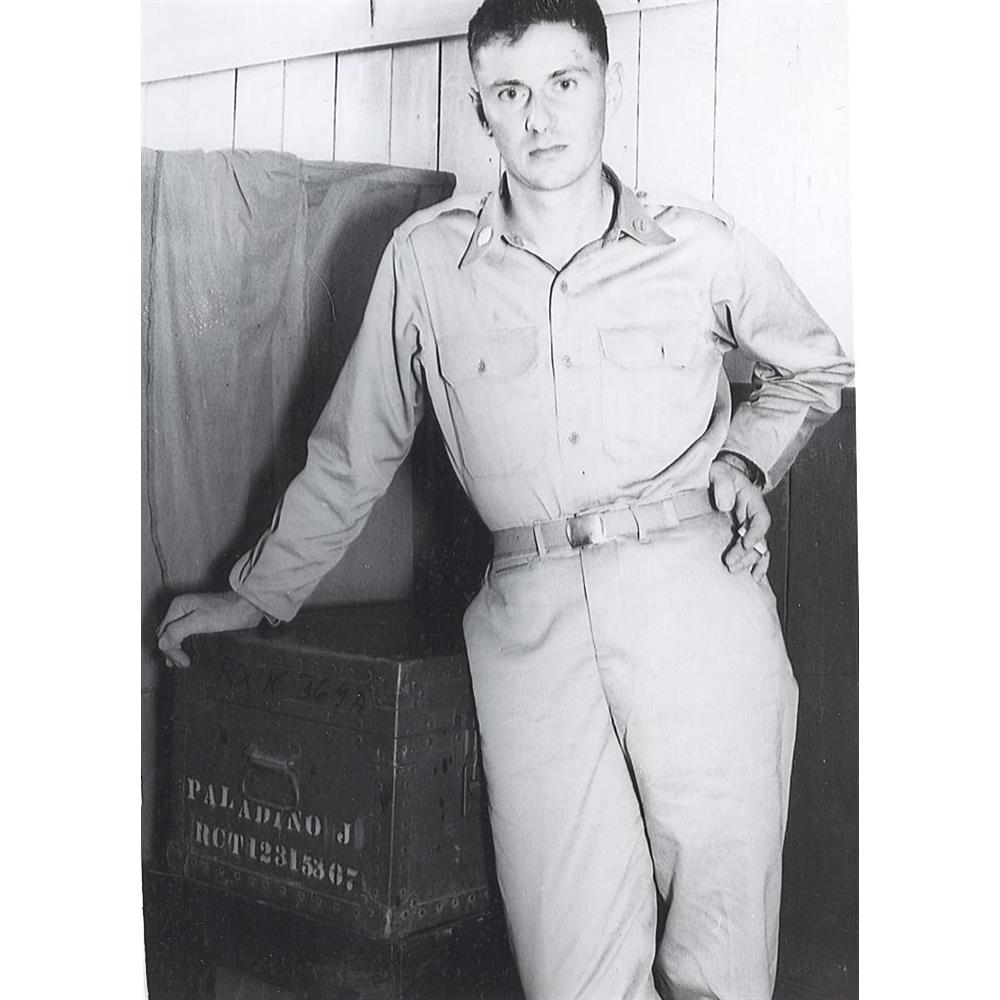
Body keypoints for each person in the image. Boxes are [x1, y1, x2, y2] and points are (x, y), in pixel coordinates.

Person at [157, 0, 854, 996]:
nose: (541, 115)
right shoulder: (425, 261)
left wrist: (746, 458)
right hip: (528, 630)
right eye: (511, 91)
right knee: (568, 969)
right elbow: (355, 447)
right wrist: (258, 593)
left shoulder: (699, 246)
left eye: (565, 83)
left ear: (606, 86)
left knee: (722, 949)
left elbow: (812, 370)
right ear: (479, 105)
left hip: (696, 605)